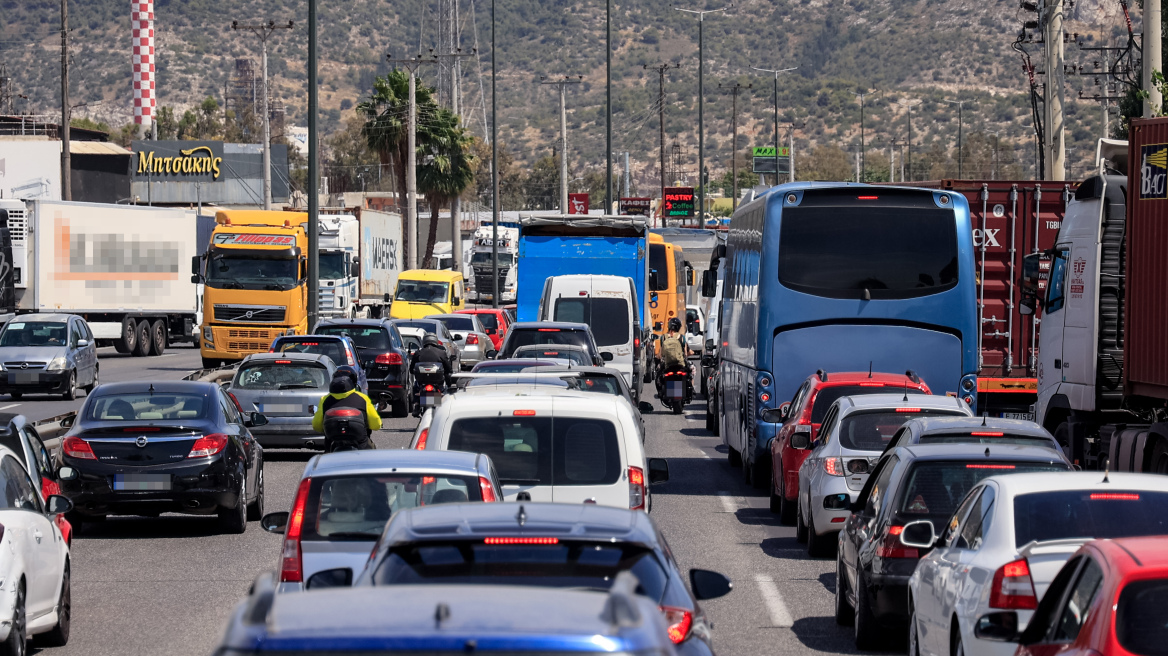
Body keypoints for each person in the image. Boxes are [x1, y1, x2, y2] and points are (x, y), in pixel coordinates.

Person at [312, 365, 382, 451]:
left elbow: (317, 426)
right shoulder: (363, 398)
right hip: (361, 446)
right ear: (354, 381)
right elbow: (376, 424)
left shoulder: (325, 399)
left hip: (331, 447)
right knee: (371, 456)